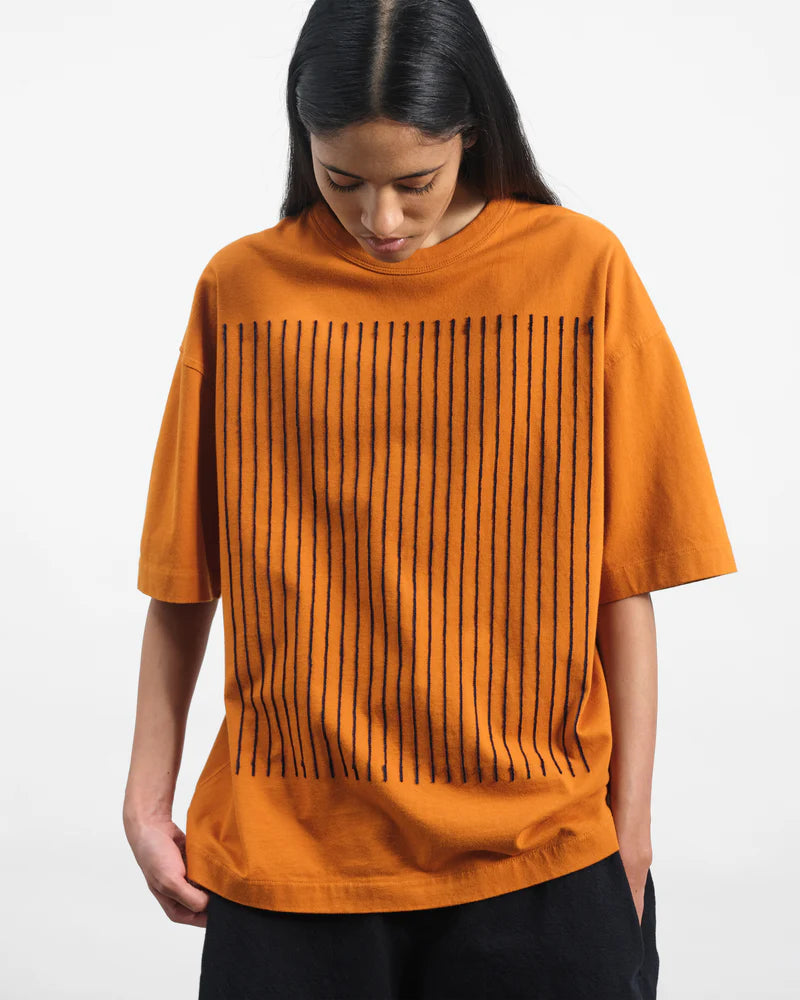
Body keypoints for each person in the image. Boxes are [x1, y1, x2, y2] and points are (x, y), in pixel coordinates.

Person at [122, 1, 738, 997]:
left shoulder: (581, 273)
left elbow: (623, 583)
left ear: (473, 134)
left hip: (542, 859)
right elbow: (185, 574)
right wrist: (145, 801)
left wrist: (629, 836)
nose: (381, 220)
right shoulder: (243, 290)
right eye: (342, 180)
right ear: (303, 142)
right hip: (289, 861)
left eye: (415, 181)